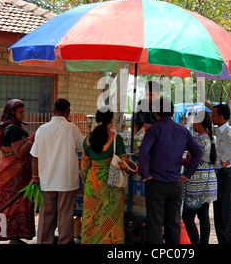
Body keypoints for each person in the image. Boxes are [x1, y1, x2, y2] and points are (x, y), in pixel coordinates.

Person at [138, 97, 203, 244]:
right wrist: (187, 174)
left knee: (155, 224)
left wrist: (146, 174)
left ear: (155, 112)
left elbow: (143, 153)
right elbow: (198, 151)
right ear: (173, 112)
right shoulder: (183, 131)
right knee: (173, 224)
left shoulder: (153, 130)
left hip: (155, 183)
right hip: (175, 183)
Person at [30, 98, 84, 244]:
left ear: (53, 111)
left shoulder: (42, 129)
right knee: (65, 216)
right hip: (66, 182)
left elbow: (34, 156)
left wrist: (35, 177)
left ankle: (43, 241)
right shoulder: (72, 128)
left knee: (46, 216)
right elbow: (83, 147)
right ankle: (65, 242)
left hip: (47, 180)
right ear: (68, 112)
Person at [0, 99, 35, 244]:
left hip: (15, 173)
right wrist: (32, 139)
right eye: (20, 112)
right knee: (5, 204)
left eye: (23, 112)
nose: (22, 115)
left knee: (14, 205)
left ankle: (14, 237)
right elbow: (19, 153)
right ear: (12, 113)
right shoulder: (12, 129)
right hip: (12, 174)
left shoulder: (9, 127)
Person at [80, 107, 130, 244]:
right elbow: (125, 165)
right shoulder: (116, 139)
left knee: (91, 219)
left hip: (92, 184)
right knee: (111, 218)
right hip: (111, 185)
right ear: (111, 121)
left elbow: (84, 167)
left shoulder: (87, 139)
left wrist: (87, 184)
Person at [182, 110, 218, 244]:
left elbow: (190, 161)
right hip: (208, 181)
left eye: (195, 120)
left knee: (187, 217)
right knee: (203, 216)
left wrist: (176, 160)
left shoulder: (198, 140)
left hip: (197, 184)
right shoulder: (210, 138)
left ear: (200, 123)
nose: (192, 123)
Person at [211, 104, 231, 244]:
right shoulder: (218, 131)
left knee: (226, 213)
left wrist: (224, 159)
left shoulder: (229, 131)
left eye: (214, 115)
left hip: (226, 175)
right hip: (218, 174)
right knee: (218, 212)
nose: (211, 118)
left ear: (221, 117)